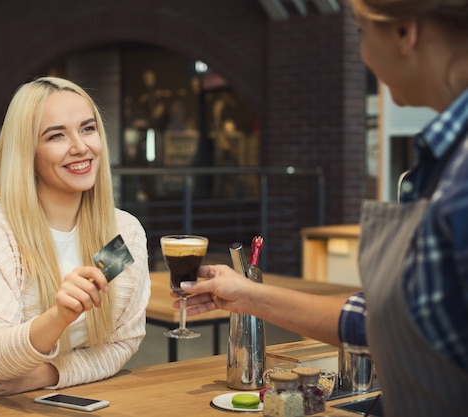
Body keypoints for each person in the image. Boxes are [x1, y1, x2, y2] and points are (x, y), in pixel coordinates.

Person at [177, 1, 468, 416]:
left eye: (362, 33)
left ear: (406, 34)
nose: (364, 54)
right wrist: (248, 295)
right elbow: (390, 321)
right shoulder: (447, 158)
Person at [0, 76, 150, 396]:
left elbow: (121, 343)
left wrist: (48, 375)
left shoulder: (122, 236)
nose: (81, 146)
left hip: (56, 397)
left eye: (88, 128)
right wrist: (59, 317)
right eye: (57, 135)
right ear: (28, 151)